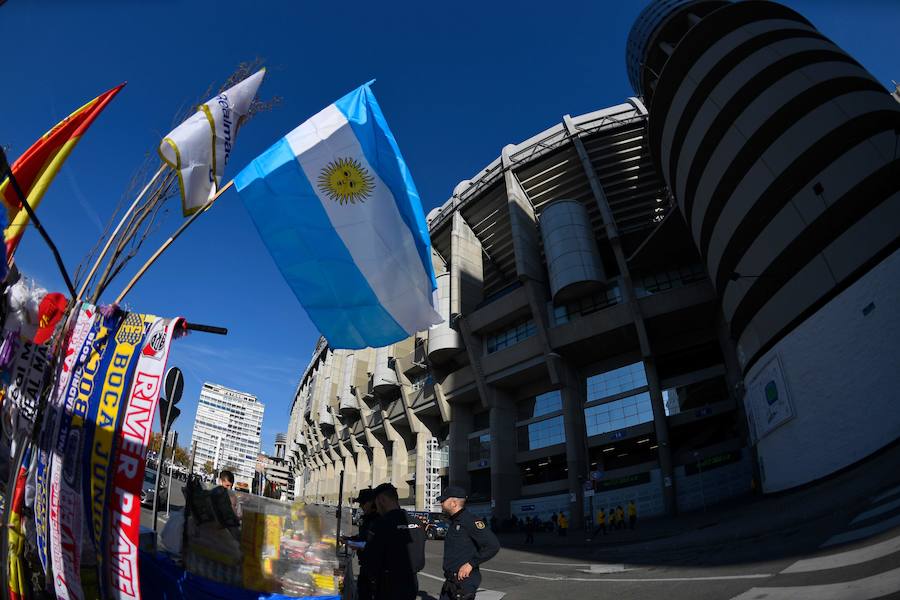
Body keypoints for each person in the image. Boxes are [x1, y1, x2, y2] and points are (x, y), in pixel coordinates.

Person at [438, 485, 500, 600]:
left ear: (453, 503)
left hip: (464, 583)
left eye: (443, 500)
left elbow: (493, 545)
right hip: (451, 582)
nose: (441, 503)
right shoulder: (453, 521)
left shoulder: (470, 521)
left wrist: (471, 564)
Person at [365, 483, 424, 600]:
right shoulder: (417, 522)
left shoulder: (381, 524)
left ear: (382, 500)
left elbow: (371, 559)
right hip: (411, 583)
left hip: (389, 584)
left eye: (376, 503)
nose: (376, 507)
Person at [346, 488, 379, 600]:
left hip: (374, 571)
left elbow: (368, 545)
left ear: (370, 503)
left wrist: (349, 543)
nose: (360, 506)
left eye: (362, 503)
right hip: (365, 567)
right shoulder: (368, 518)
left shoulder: (377, 520)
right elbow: (362, 537)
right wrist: (349, 538)